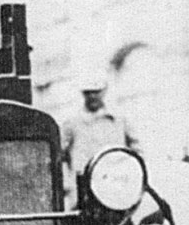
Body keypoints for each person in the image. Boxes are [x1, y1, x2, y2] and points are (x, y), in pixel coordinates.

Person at [60, 74, 141, 209]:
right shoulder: (72, 122)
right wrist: (67, 184)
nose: (92, 96)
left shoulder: (119, 119)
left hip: (116, 184)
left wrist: (133, 177)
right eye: (88, 93)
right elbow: (60, 155)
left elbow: (137, 150)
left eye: (96, 92)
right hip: (84, 188)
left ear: (104, 91)